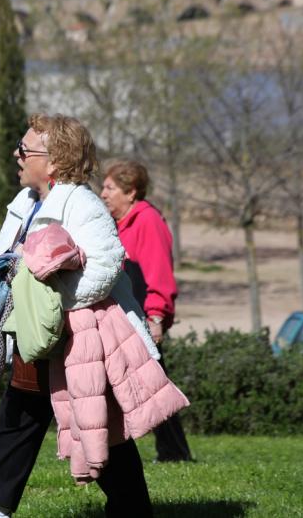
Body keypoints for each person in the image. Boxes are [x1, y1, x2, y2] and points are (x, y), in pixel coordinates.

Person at [0, 115, 154, 518]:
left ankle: (133, 510)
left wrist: (57, 302)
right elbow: (9, 256)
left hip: (77, 338)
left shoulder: (83, 205)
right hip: (38, 334)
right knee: (19, 414)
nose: (16, 155)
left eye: (25, 150)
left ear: (53, 162)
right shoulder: (26, 203)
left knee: (101, 429)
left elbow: (106, 267)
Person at [100, 159, 193, 463]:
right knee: (151, 383)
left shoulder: (147, 221)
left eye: (110, 188)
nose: (103, 193)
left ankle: (174, 452)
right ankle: (173, 451)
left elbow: (160, 276)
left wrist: (156, 318)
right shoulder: (121, 223)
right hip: (126, 316)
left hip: (143, 319)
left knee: (155, 384)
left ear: (131, 192)